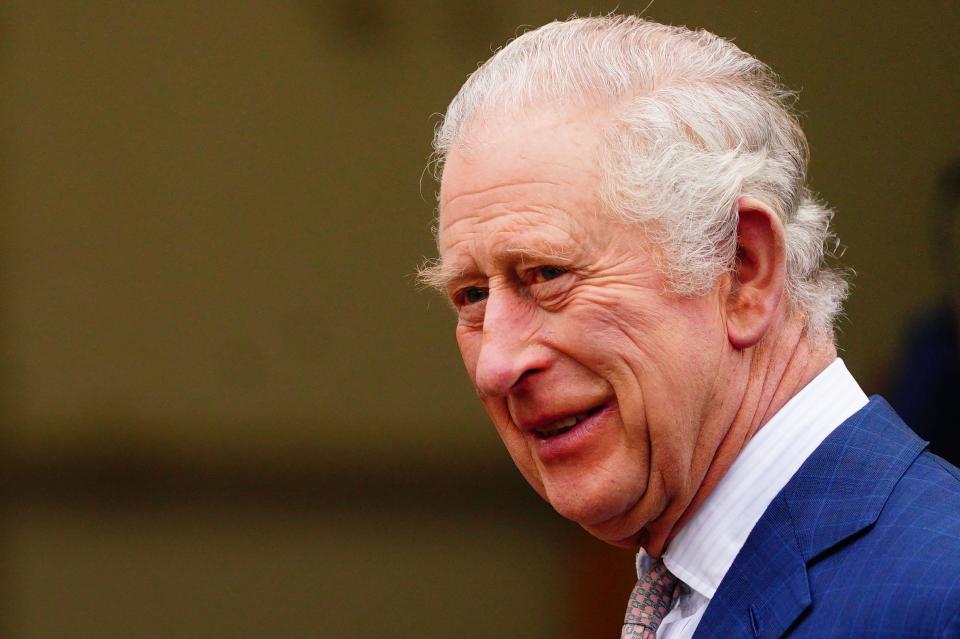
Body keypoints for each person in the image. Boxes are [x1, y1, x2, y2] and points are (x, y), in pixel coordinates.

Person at [420, 15, 960, 638]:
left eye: (547, 274)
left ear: (742, 270)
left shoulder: (938, 598)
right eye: (473, 296)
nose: (497, 363)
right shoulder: (687, 590)